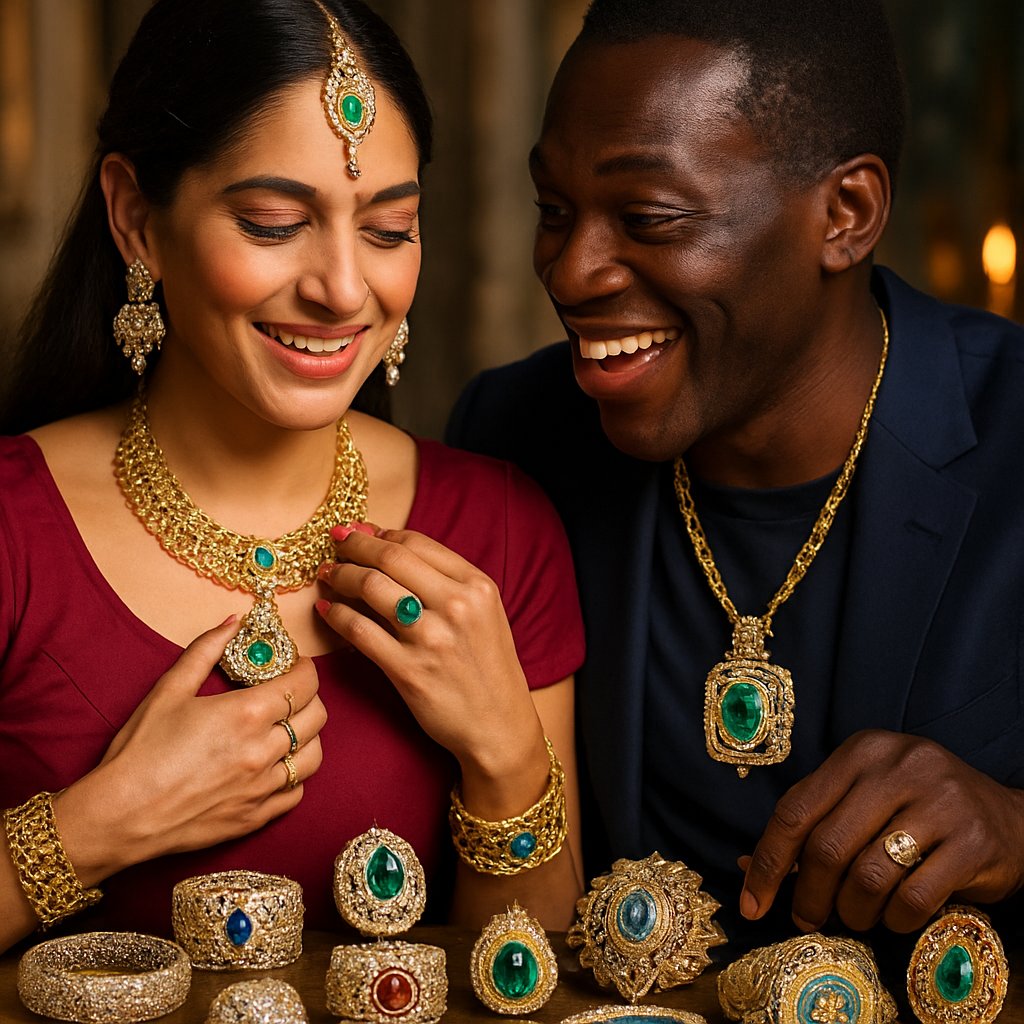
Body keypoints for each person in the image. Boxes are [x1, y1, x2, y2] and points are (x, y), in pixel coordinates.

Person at [0, 0, 584, 954]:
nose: (343, 289)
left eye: (389, 229)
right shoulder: (14, 529)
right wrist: (102, 824)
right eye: (274, 224)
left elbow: (526, 982)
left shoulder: (496, 531)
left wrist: (507, 756)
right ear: (136, 218)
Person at [448, 0, 1024, 952]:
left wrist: (1015, 824)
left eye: (648, 217)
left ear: (846, 214)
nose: (572, 271)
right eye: (554, 211)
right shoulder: (513, 436)